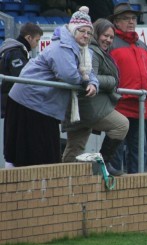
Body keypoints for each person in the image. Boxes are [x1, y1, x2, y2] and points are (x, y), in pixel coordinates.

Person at [3, 6, 98, 167]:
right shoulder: (61, 46)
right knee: (27, 155)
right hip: (28, 103)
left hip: (45, 106)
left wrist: (93, 83)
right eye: (82, 31)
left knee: (44, 156)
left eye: (89, 33)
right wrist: (86, 83)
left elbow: (91, 74)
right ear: (73, 30)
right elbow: (68, 74)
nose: (86, 35)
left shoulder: (85, 52)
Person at [61, 18, 129, 176]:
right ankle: (102, 164)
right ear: (96, 33)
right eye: (105, 35)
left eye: (111, 37)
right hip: (89, 105)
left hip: (81, 107)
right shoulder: (91, 50)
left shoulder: (93, 50)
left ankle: (65, 180)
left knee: (74, 149)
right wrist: (112, 81)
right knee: (121, 125)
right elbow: (92, 77)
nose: (108, 40)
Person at [105, 3, 147, 174]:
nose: (131, 22)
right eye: (126, 19)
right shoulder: (111, 43)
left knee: (139, 150)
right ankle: (116, 186)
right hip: (119, 105)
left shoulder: (142, 45)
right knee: (117, 150)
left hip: (140, 105)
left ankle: (138, 184)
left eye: (133, 18)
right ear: (116, 22)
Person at [0, 22, 43, 118]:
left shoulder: (19, 51)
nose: (37, 45)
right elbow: (22, 77)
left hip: (12, 101)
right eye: (37, 40)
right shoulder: (15, 53)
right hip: (11, 103)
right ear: (29, 38)